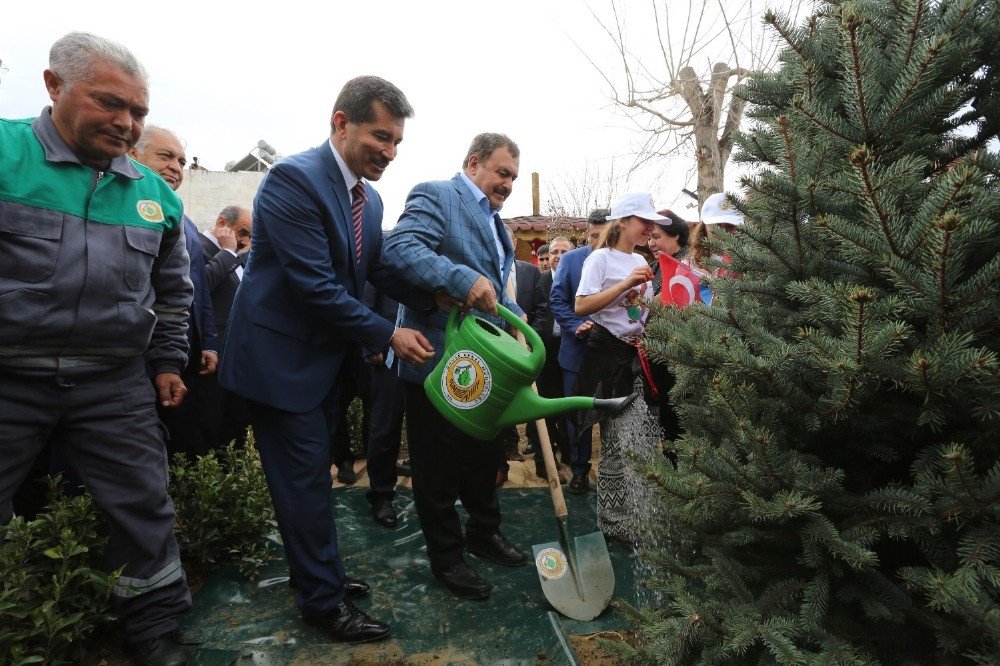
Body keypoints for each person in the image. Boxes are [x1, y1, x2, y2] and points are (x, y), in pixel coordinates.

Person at [218, 75, 437, 643]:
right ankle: (322, 603)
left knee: (311, 480)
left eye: (396, 144)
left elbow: (377, 271)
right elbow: (316, 287)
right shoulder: (294, 180)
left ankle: (323, 576)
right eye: (380, 137)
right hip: (280, 364)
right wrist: (390, 336)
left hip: (324, 364)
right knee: (303, 485)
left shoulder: (372, 197)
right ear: (341, 123)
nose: (388, 153)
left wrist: (443, 295)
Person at [0, 32, 194, 665]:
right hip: (10, 376)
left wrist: (166, 361)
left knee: (143, 502)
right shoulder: (5, 155)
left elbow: (173, 293)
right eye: (111, 104)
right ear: (55, 85)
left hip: (112, 383)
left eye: (138, 112)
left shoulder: (155, 195)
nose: (127, 123)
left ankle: (156, 629)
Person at [382, 132, 528, 601]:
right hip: (435, 360)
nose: (506, 185)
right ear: (473, 163)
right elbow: (401, 248)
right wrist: (464, 280)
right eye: (501, 173)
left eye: (513, 178)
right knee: (437, 466)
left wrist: (515, 314)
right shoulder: (437, 195)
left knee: (483, 458)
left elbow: (494, 291)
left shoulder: (497, 224)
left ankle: (484, 534)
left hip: (481, 368)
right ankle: (446, 557)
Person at [573, 193, 663, 544]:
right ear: (623, 221)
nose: (649, 228)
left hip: (637, 356)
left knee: (639, 439)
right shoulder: (600, 259)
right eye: (644, 220)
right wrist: (626, 285)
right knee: (614, 441)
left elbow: (641, 314)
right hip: (607, 356)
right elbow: (581, 306)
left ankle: (637, 514)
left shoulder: (641, 259)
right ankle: (613, 523)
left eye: (652, 222)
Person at [129, 125, 220, 458]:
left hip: (178, 349)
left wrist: (207, 341)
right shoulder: (113, 213)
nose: (176, 168)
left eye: (181, 161)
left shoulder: (182, 220)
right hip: (134, 354)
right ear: (132, 154)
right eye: (165, 156)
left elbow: (197, 290)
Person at [549, 209, 609, 494]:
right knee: (577, 417)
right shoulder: (571, 260)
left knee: (612, 413)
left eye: (606, 234)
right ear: (587, 233)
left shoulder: (624, 261)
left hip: (613, 356)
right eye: (595, 235)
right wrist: (576, 324)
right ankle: (579, 470)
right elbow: (557, 300)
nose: (600, 240)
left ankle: (611, 471)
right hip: (577, 355)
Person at [201, 205, 252, 449]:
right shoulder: (200, 247)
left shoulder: (237, 257)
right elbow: (198, 288)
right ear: (223, 222)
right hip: (210, 357)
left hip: (235, 360)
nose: (244, 240)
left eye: (249, 235)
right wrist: (229, 252)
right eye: (242, 232)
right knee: (210, 427)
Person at [646, 210, 690, 463]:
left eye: (657, 236)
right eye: (649, 237)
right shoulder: (655, 267)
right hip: (660, 356)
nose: (651, 243)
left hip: (682, 356)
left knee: (680, 420)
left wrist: (646, 303)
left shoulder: (689, 265)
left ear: (677, 236)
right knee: (667, 418)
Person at [360, 283, 405, 527]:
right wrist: (373, 345)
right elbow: (365, 307)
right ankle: (381, 495)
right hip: (388, 354)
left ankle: (434, 492)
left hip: (426, 350)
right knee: (385, 426)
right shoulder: (383, 250)